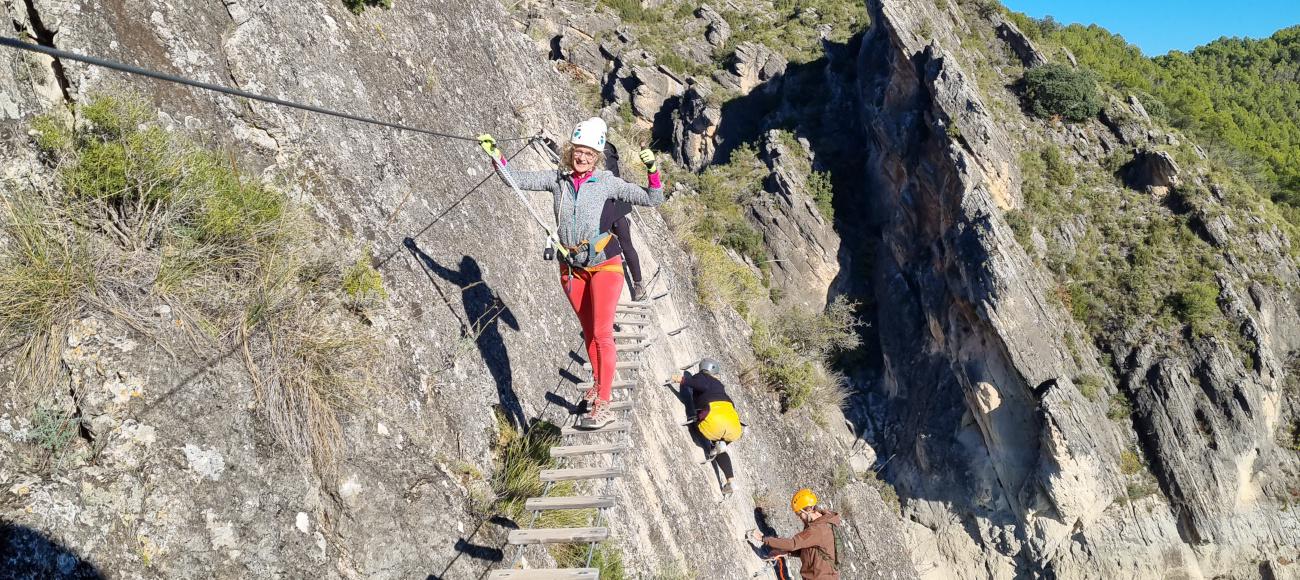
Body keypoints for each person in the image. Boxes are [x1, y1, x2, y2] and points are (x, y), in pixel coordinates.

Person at [479, 118, 663, 429]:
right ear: (570, 151)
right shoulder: (557, 180)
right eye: (578, 152)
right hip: (572, 267)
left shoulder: (606, 182)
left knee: (603, 333)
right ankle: (596, 385)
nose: (582, 158)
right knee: (590, 331)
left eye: (589, 154)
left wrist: (653, 170)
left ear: (597, 157)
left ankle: (603, 405)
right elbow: (514, 180)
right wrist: (496, 156)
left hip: (605, 264)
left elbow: (653, 199)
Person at [672, 357, 742, 495]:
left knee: (704, 422)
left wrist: (682, 380)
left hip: (713, 418)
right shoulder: (720, 386)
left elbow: (700, 385)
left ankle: (714, 445)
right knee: (719, 447)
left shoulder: (703, 377)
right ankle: (730, 481)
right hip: (733, 425)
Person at [748, 489, 842, 579]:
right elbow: (810, 550)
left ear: (808, 509)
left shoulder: (818, 529)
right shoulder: (822, 523)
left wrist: (763, 538)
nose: (800, 518)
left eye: (800, 514)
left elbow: (793, 544)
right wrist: (785, 552)